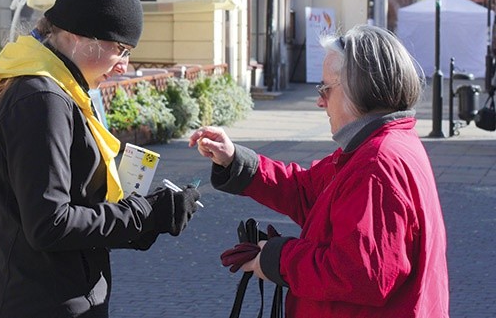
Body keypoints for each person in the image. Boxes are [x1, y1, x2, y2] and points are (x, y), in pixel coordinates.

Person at [0, 0, 200, 318]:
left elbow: (73, 208)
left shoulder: (62, 91)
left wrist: (149, 217)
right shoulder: (44, 99)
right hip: (42, 304)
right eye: (120, 48)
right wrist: (146, 214)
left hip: (59, 297)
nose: (125, 65)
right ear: (79, 37)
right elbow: (50, 224)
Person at [189, 24, 449, 317]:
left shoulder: (377, 163)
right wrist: (236, 159)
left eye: (326, 88)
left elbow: (360, 274)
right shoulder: (373, 148)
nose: (320, 100)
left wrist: (276, 258)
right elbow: (307, 191)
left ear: (359, 90)